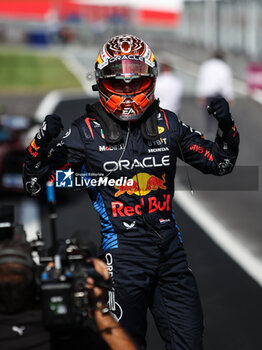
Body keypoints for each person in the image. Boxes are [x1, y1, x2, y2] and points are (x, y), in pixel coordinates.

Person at [23, 34, 239, 350]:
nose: (127, 92)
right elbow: (35, 184)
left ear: (149, 80)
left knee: (190, 342)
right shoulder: (84, 131)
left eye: (134, 82)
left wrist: (226, 126)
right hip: (122, 259)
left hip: (171, 255)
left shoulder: (168, 123)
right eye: (119, 83)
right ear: (101, 82)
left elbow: (220, 164)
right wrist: (39, 145)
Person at [196, 50, 234, 138]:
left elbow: (202, 80)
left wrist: (200, 94)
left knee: (208, 116)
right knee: (221, 116)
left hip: (208, 94)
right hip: (219, 95)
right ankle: (220, 135)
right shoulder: (224, 67)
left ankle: (209, 134)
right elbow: (226, 83)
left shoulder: (206, 65)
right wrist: (230, 97)